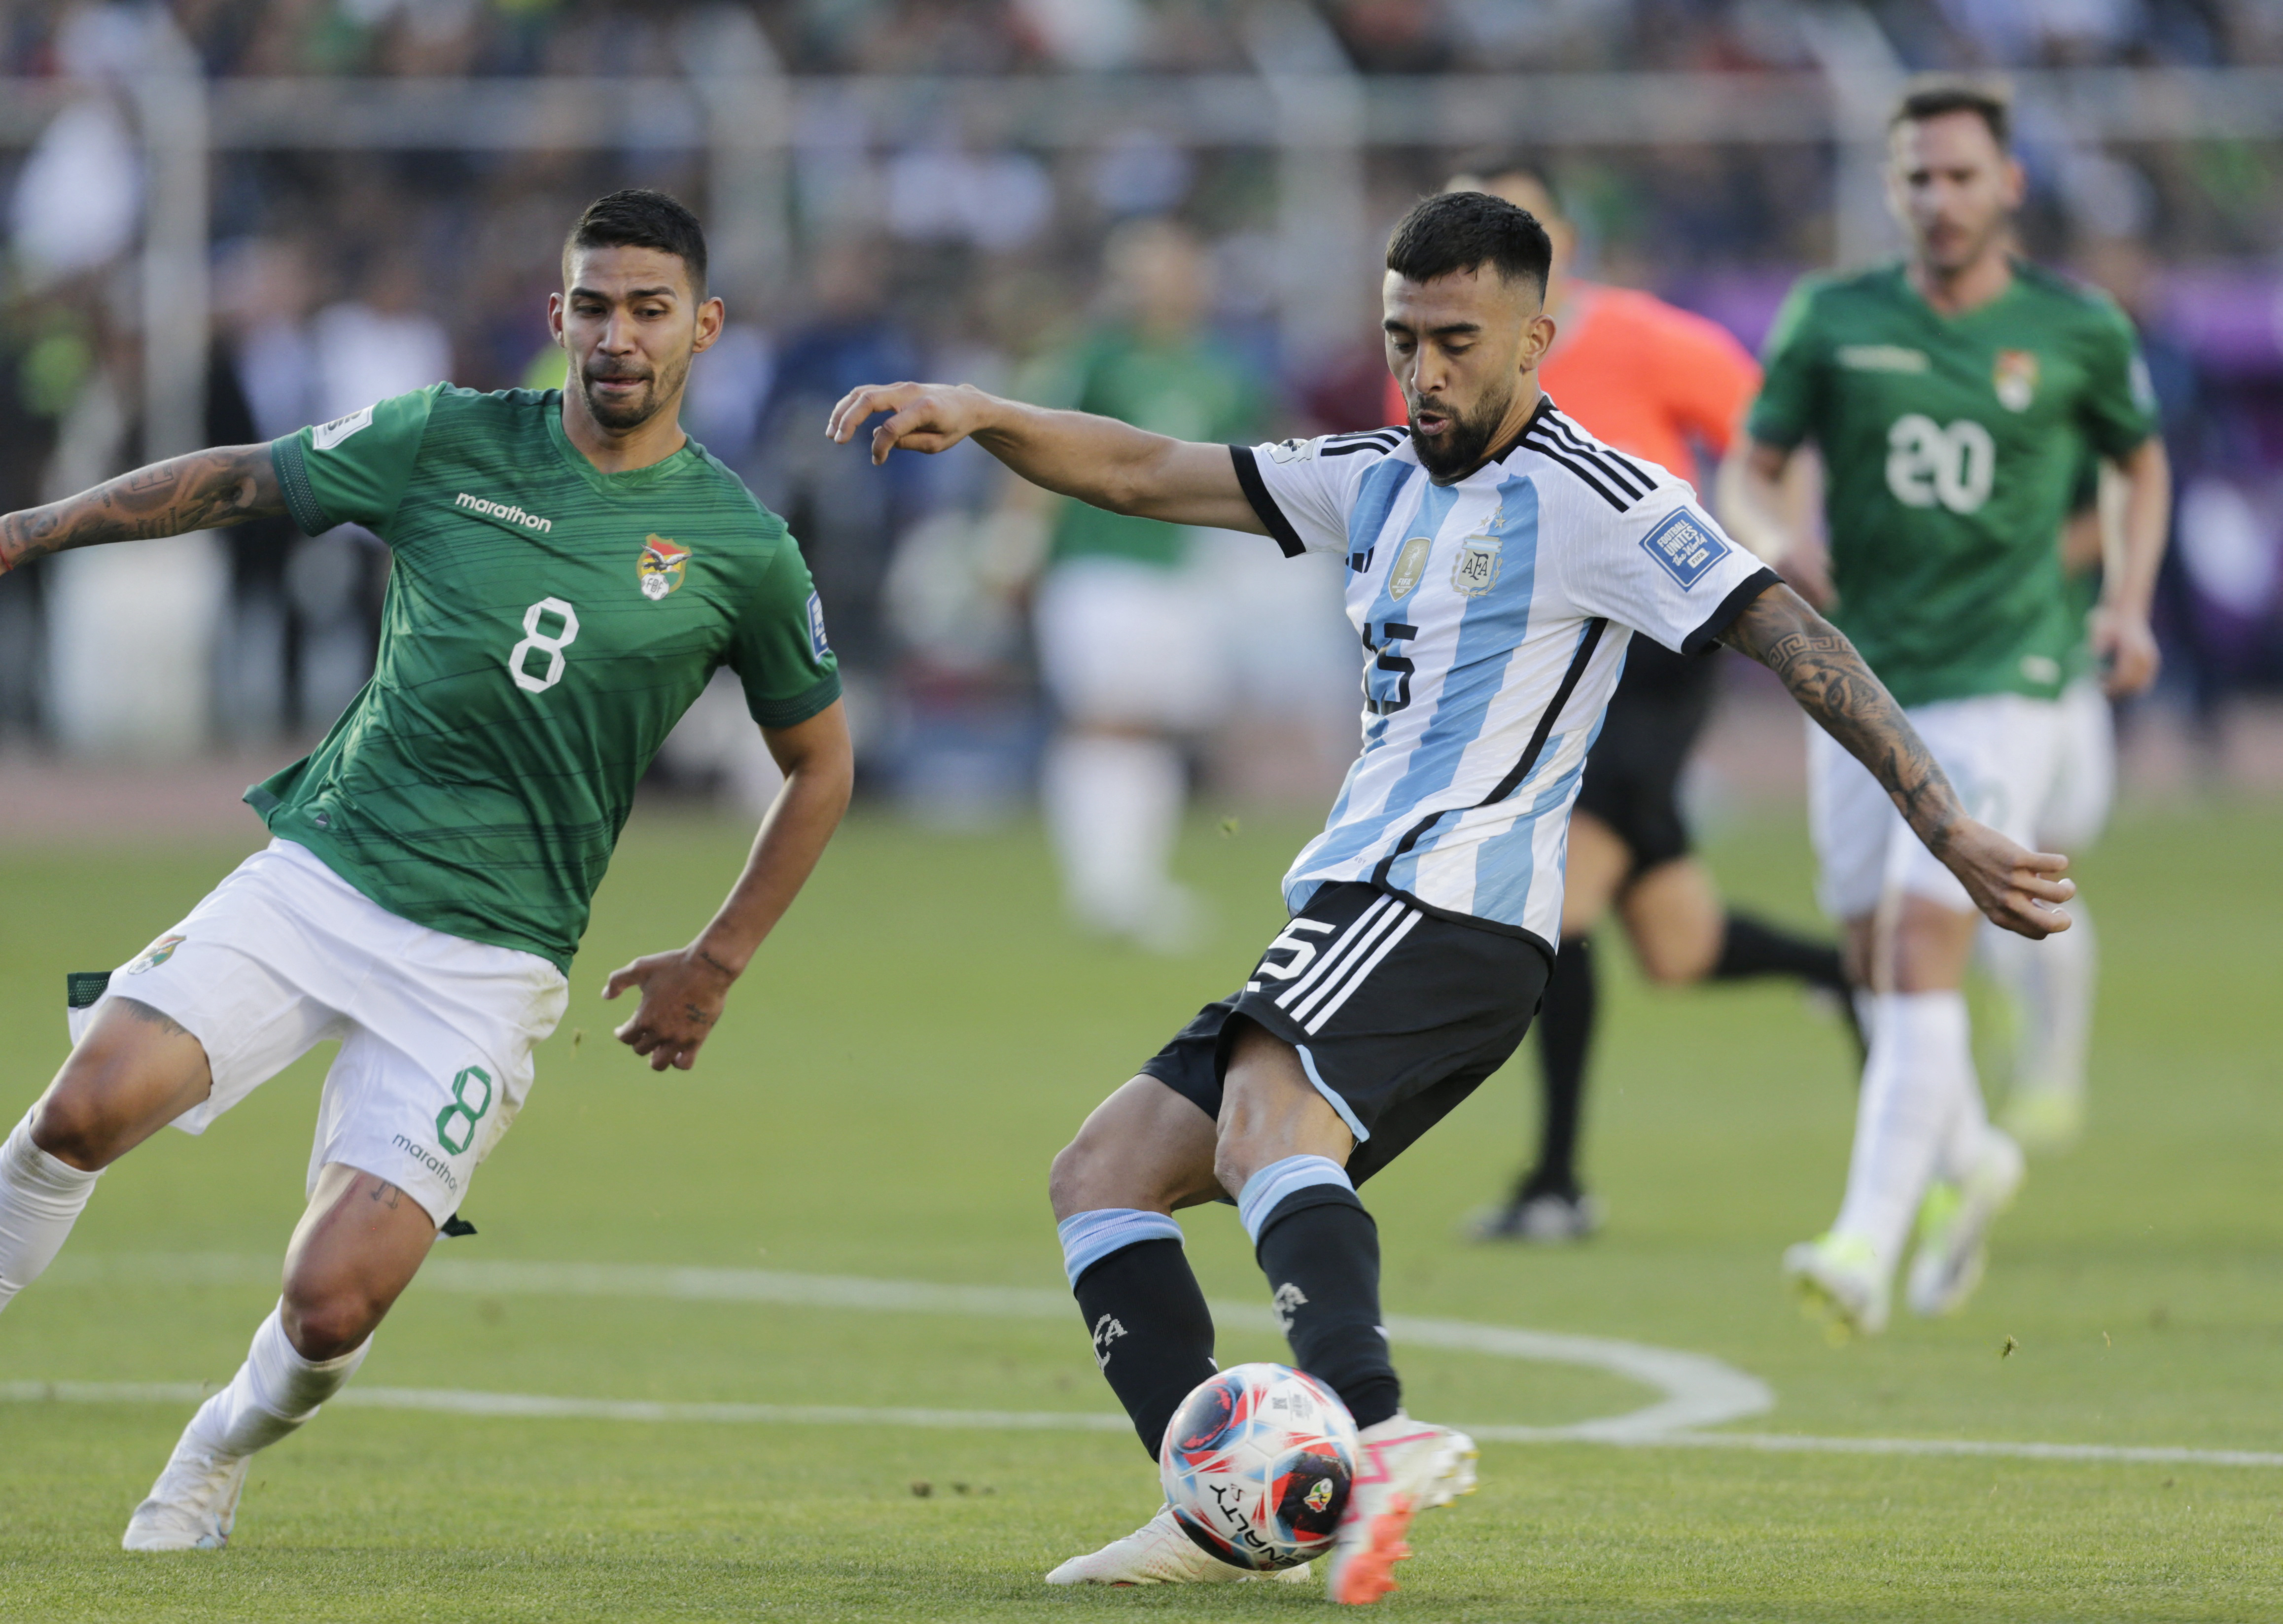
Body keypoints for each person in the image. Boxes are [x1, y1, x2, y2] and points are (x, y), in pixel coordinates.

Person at [829, 189, 2072, 1602]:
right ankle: (1209, 1504)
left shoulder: (1601, 498)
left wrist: (1948, 824)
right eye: (1401, 337)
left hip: (1454, 899)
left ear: (1537, 336)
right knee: (1103, 1175)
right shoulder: (1369, 472)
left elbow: (1790, 632)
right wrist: (984, 407)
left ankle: (1372, 1425)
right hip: (1357, 900)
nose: (1423, 371)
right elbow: (1142, 469)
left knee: (1263, 1119)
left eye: (1457, 341)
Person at [0, 190, 852, 1549]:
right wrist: (25, 529)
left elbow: (822, 764)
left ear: (705, 327)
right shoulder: (444, 437)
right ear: (556, 314)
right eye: (593, 304)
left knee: (332, 1301)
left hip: (490, 964)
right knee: (82, 1110)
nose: (616, 334)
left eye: (647, 308)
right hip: (321, 877)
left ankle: (214, 1450)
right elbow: (242, 478)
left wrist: (718, 958)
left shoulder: (740, 547)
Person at [1726, 77, 2167, 1339]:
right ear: (1891, 187)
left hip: (2007, 683)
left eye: (1964, 175)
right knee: (1869, 956)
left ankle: (1863, 1240)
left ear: (2010, 185)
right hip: (1864, 683)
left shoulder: (2073, 327)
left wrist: (2126, 600)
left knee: (1923, 947)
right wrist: (1770, 537)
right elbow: (1750, 468)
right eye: (1919, 176)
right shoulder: (1833, 317)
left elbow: (2142, 456)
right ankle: (1973, 1158)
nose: (1941, 198)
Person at [1383, 160, 1856, 1244]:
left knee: (1556, 906)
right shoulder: (1430, 362)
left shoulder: (1651, 338)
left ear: (1561, 249)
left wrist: (1773, 544)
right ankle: (1859, 971)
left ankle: (1556, 1184)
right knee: (1677, 947)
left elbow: (1764, 445)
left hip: (1649, 651)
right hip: (1533, 659)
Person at [1023, 217, 1268, 950]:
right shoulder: (1094, 359)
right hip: (1099, 562)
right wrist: (1015, 544)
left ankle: (1135, 881)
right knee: (1106, 715)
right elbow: (1031, 447)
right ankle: (1106, 887)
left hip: (1181, 568)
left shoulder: (1221, 368)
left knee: (1155, 721)